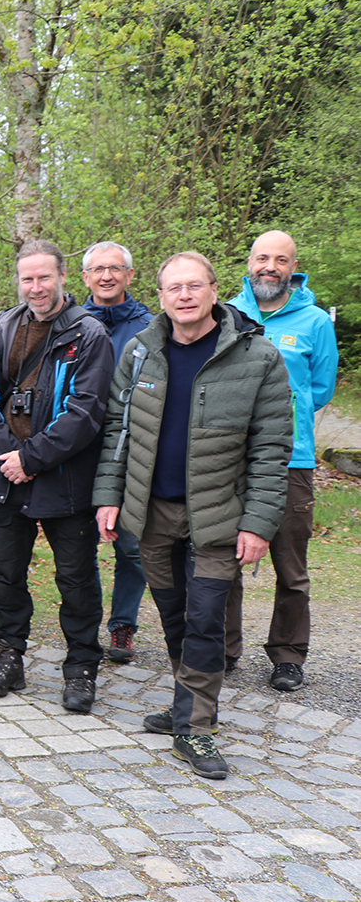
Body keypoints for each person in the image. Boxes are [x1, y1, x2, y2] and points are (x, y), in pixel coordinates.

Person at [95, 251, 292, 779]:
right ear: (160, 296)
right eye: (173, 288)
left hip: (220, 515)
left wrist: (258, 522)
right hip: (153, 513)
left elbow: (272, 448)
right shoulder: (140, 353)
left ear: (213, 290)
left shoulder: (257, 358)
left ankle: (196, 729)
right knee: (176, 614)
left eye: (193, 286)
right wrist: (108, 497)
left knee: (206, 617)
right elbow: (118, 433)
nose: (184, 295)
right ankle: (189, 704)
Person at [0, 240, 113, 713]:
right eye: (27, 279)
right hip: (6, 474)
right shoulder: (2, 327)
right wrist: (11, 455)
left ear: (62, 278)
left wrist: (32, 458)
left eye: (44, 277)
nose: (35, 287)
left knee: (75, 578)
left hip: (65, 479)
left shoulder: (89, 335)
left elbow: (86, 411)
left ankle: (80, 669)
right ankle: (8, 656)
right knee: (8, 574)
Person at [226, 230, 338, 691]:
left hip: (291, 460)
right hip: (231, 457)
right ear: (249, 262)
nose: (270, 266)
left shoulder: (314, 322)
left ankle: (288, 655)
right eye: (262, 258)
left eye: (281, 260)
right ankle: (222, 646)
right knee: (222, 558)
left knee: (289, 564)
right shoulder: (227, 315)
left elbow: (321, 390)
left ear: (294, 267)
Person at [80, 241, 155, 664]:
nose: (106, 276)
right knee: (80, 544)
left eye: (115, 268)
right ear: (86, 277)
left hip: (131, 452)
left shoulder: (150, 327)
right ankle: (86, 620)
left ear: (129, 275)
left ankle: (123, 624)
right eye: (98, 269)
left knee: (130, 546)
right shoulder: (69, 322)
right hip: (78, 450)